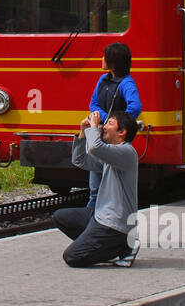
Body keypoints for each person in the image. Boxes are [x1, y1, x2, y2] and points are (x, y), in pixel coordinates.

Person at [52, 109, 140, 267]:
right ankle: (106, 248)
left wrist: (94, 126)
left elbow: (95, 147)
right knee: (61, 217)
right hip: (100, 215)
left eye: (110, 124)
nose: (104, 127)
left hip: (115, 224)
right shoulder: (110, 154)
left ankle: (124, 247)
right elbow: (80, 160)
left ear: (122, 132)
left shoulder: (127, 152)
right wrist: (82, 133)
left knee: (72, 257)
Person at [86, 43, 142, 212]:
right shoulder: (103, 80)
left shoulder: (126, 83)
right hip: (102, 135)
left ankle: (94, 223)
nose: (101, 59)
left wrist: (114, 121)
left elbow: (135, 107)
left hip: (113, 140)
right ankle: (91, 223)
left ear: (113, 61)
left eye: (105, 56)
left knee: (103, 187)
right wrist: (106, 118)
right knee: (94, 188)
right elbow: (93, 103)